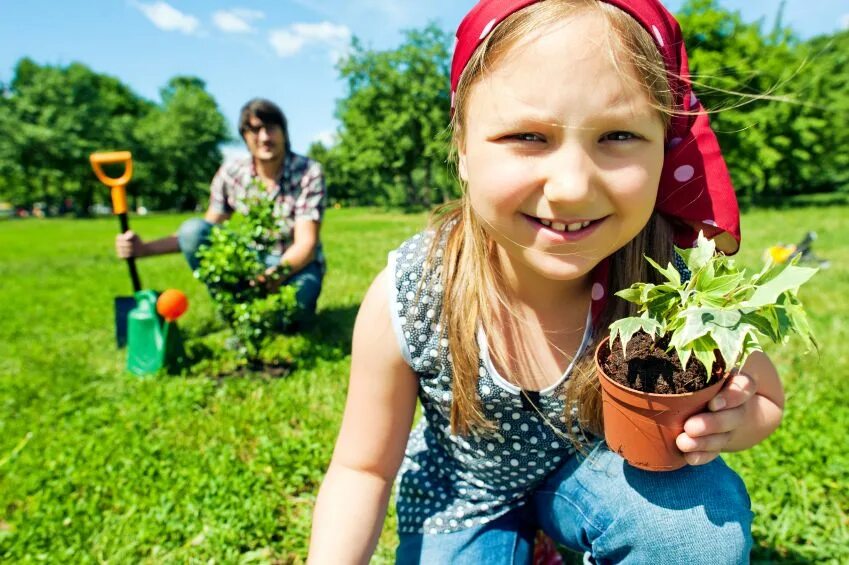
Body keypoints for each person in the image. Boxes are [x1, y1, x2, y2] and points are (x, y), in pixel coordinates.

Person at [309, 0, 784, 562]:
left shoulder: (672, 286)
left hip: (599, 471)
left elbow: (766, 396)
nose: (571, 187)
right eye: (528, 136)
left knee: (694, 532)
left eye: (619, 136)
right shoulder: (414, 291)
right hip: (464, 494)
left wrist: (737, 419)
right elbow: (362, 469)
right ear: (461, 146)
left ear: (667, 145)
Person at [115, 98, 326, 319]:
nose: (264, 137)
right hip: (251, 261)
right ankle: (235, 313)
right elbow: (197, 235)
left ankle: (272, 316)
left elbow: (306, 243)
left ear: (283, 131)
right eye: (255, 129)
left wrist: (271, 278)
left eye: (271, 128)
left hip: (296, 266)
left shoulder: (307, 172)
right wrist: (144, 249)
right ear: (244, 136)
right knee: (192, 229)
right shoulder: (232, 173)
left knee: (293, 314)